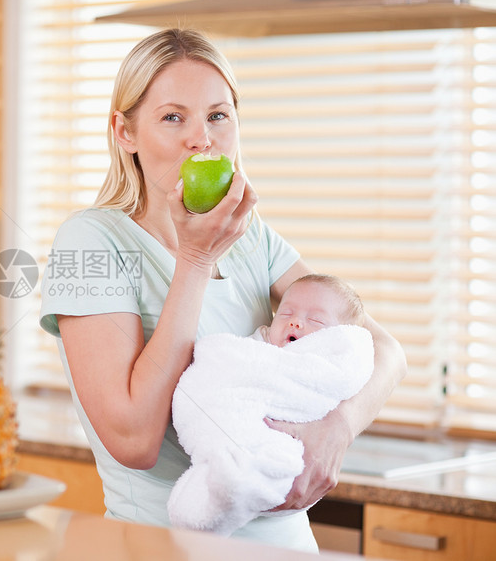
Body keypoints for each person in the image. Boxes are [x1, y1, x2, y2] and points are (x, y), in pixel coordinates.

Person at [39, 28, 406, 552]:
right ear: (125, 132)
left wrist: (338, 428)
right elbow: (133, 440)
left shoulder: (249, 234)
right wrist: (194, 258)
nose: (201, 139)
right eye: (173, 117)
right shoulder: (89, 241)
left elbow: (385, 349)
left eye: (217, 115)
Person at [167, 273, 374, 536]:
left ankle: (230, 487)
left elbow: (338, 383)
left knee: (270, 461)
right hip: (237, 415)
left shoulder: (332, 364)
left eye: (315, 320)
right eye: (285, 313)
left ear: (338, 336)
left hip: (283, 450)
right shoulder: (259, 346)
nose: (296, 322)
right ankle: (219, 487)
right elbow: (228, 366)